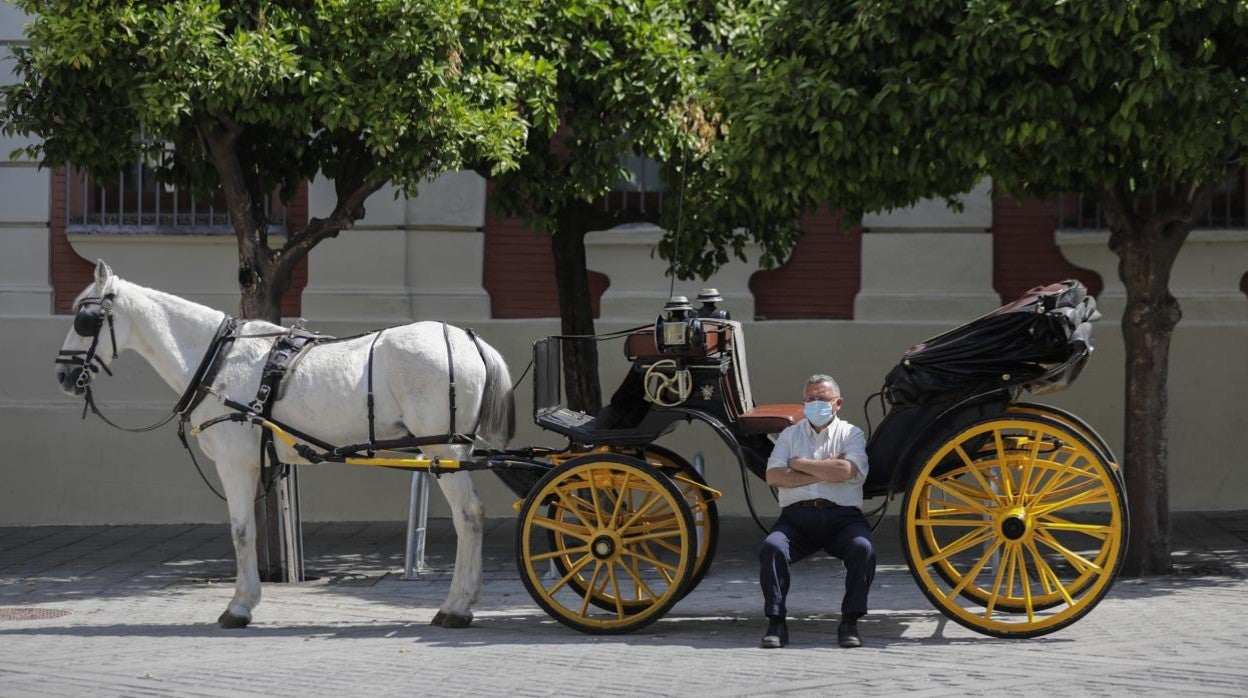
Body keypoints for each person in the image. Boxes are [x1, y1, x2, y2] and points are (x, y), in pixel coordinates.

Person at [758, 374, 875, 649]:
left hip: (843, 519)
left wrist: (798, 464)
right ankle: (776, 622)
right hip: (796, 519)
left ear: (837, 403)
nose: (815, 404)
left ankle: (850, 622)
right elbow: (774, 476)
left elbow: (846, 470)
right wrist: (825, 470)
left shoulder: (851, 433)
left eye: (821, 399)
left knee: (863, 549)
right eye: (809, 399)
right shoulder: (790, 434)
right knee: (772, 548)